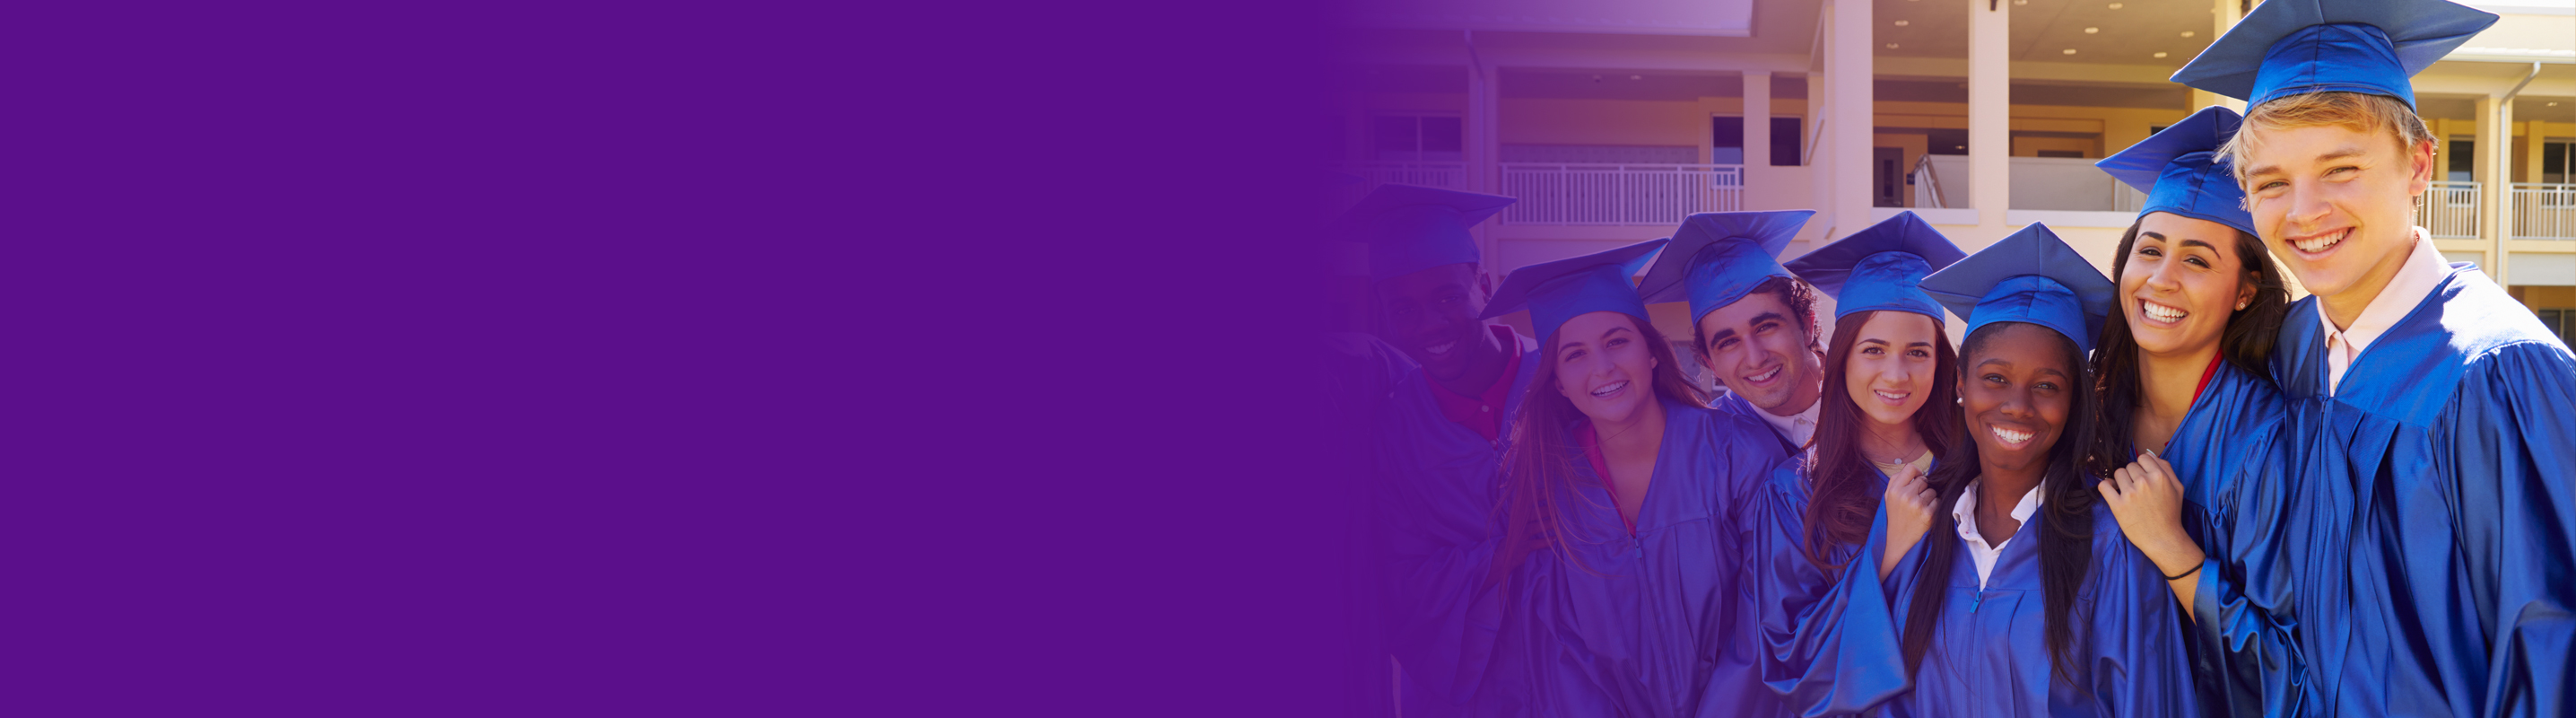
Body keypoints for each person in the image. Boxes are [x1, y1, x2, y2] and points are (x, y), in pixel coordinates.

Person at [2171, 1, 2576, 714]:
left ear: (2419, 164)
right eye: (2271, 183)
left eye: (2341, 169)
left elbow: (2550, 650)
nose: (2304, 211)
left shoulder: (2500, 374)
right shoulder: (2291, 350)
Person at [1819, 223, 2198, 717]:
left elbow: (2148, 702)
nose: (2017, 406)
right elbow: (1871, 693)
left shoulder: (2111, 542)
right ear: (1960, 383)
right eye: (1995, 379)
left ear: (2073, 401)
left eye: (2047, 386)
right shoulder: (1920, 528)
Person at [1475, 240, 1790, 718]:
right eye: (1574, 354)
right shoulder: (1547, 488)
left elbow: (1769, 610)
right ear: (1557, 380)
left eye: (1617, 340)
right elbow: (1562, 657)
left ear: (1652, 352)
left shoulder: (1736, 452)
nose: (1602, 367)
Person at [2080, 106, 2300, 718]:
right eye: (2149, 251)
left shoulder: (2270, 444)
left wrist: (2171, 547)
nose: (2162, 279)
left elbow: (2290, 669)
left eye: (2197, 260)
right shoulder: (2089, 420)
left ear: (2246, 290)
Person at [1749, 211, 1967, 716]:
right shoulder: (1795, 491)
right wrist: (1886, 553)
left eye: (1918, 351)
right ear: (1843, 357)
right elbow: (1790, 661)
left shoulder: (1973, 467)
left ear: (1940, 361)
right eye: (1874, 350)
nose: (1896, 373)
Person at [1339, 183, 1530, 717]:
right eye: (1403, 309)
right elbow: (1400, 582)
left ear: (1484, 285)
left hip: (1579, 673)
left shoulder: (1561, 382)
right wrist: (1502, 556)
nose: (1429, 324)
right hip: (1469, 698)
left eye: (1448, 296)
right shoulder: (1392, 431)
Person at [1638, 211, 1827, 454]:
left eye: (1766, 327)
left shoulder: (1874, 394)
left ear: (1807, 325)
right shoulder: (1712, 446)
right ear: (1711, 364)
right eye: (1728, 342)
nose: (1755, 358)